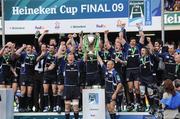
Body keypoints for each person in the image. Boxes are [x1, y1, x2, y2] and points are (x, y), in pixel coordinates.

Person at [118, 21, 145, 111]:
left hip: (137, 69)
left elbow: (142, 36)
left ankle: (139, 103)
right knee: (130, 88)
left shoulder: (139, 47)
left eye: (134, 41)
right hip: (129, 70)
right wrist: (122, 28)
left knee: (137, 88)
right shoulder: (126, 47)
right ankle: (131, 103)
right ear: (129, 42)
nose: (133, 42)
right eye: (132, 41)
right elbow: (121, 37)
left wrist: (139, 27)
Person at [15, 44, 37, 112]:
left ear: (31, 49)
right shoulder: (23, 54)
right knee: (23, 92)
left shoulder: (34, 55)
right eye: (27, 47)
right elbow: (16, 53)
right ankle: (21, 107)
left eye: (29, 47)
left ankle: (29, 107)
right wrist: (22, 47)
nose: (28, 48)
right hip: (23, 75)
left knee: (29, 93)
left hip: (31, 76)